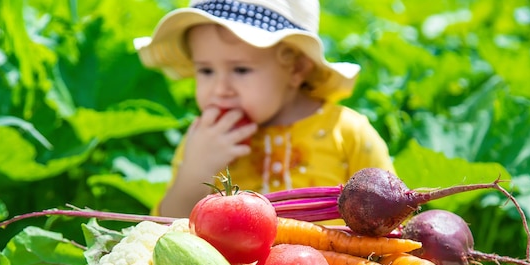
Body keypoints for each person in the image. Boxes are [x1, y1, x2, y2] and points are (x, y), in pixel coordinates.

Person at [134, 0, 395, 218]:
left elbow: (392, 212)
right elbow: (164, 231)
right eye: (206, 70)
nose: (219, 88)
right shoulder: (203, 142)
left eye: (240, 70)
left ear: (296, 68)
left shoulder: (347, 132)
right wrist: (195, 171)